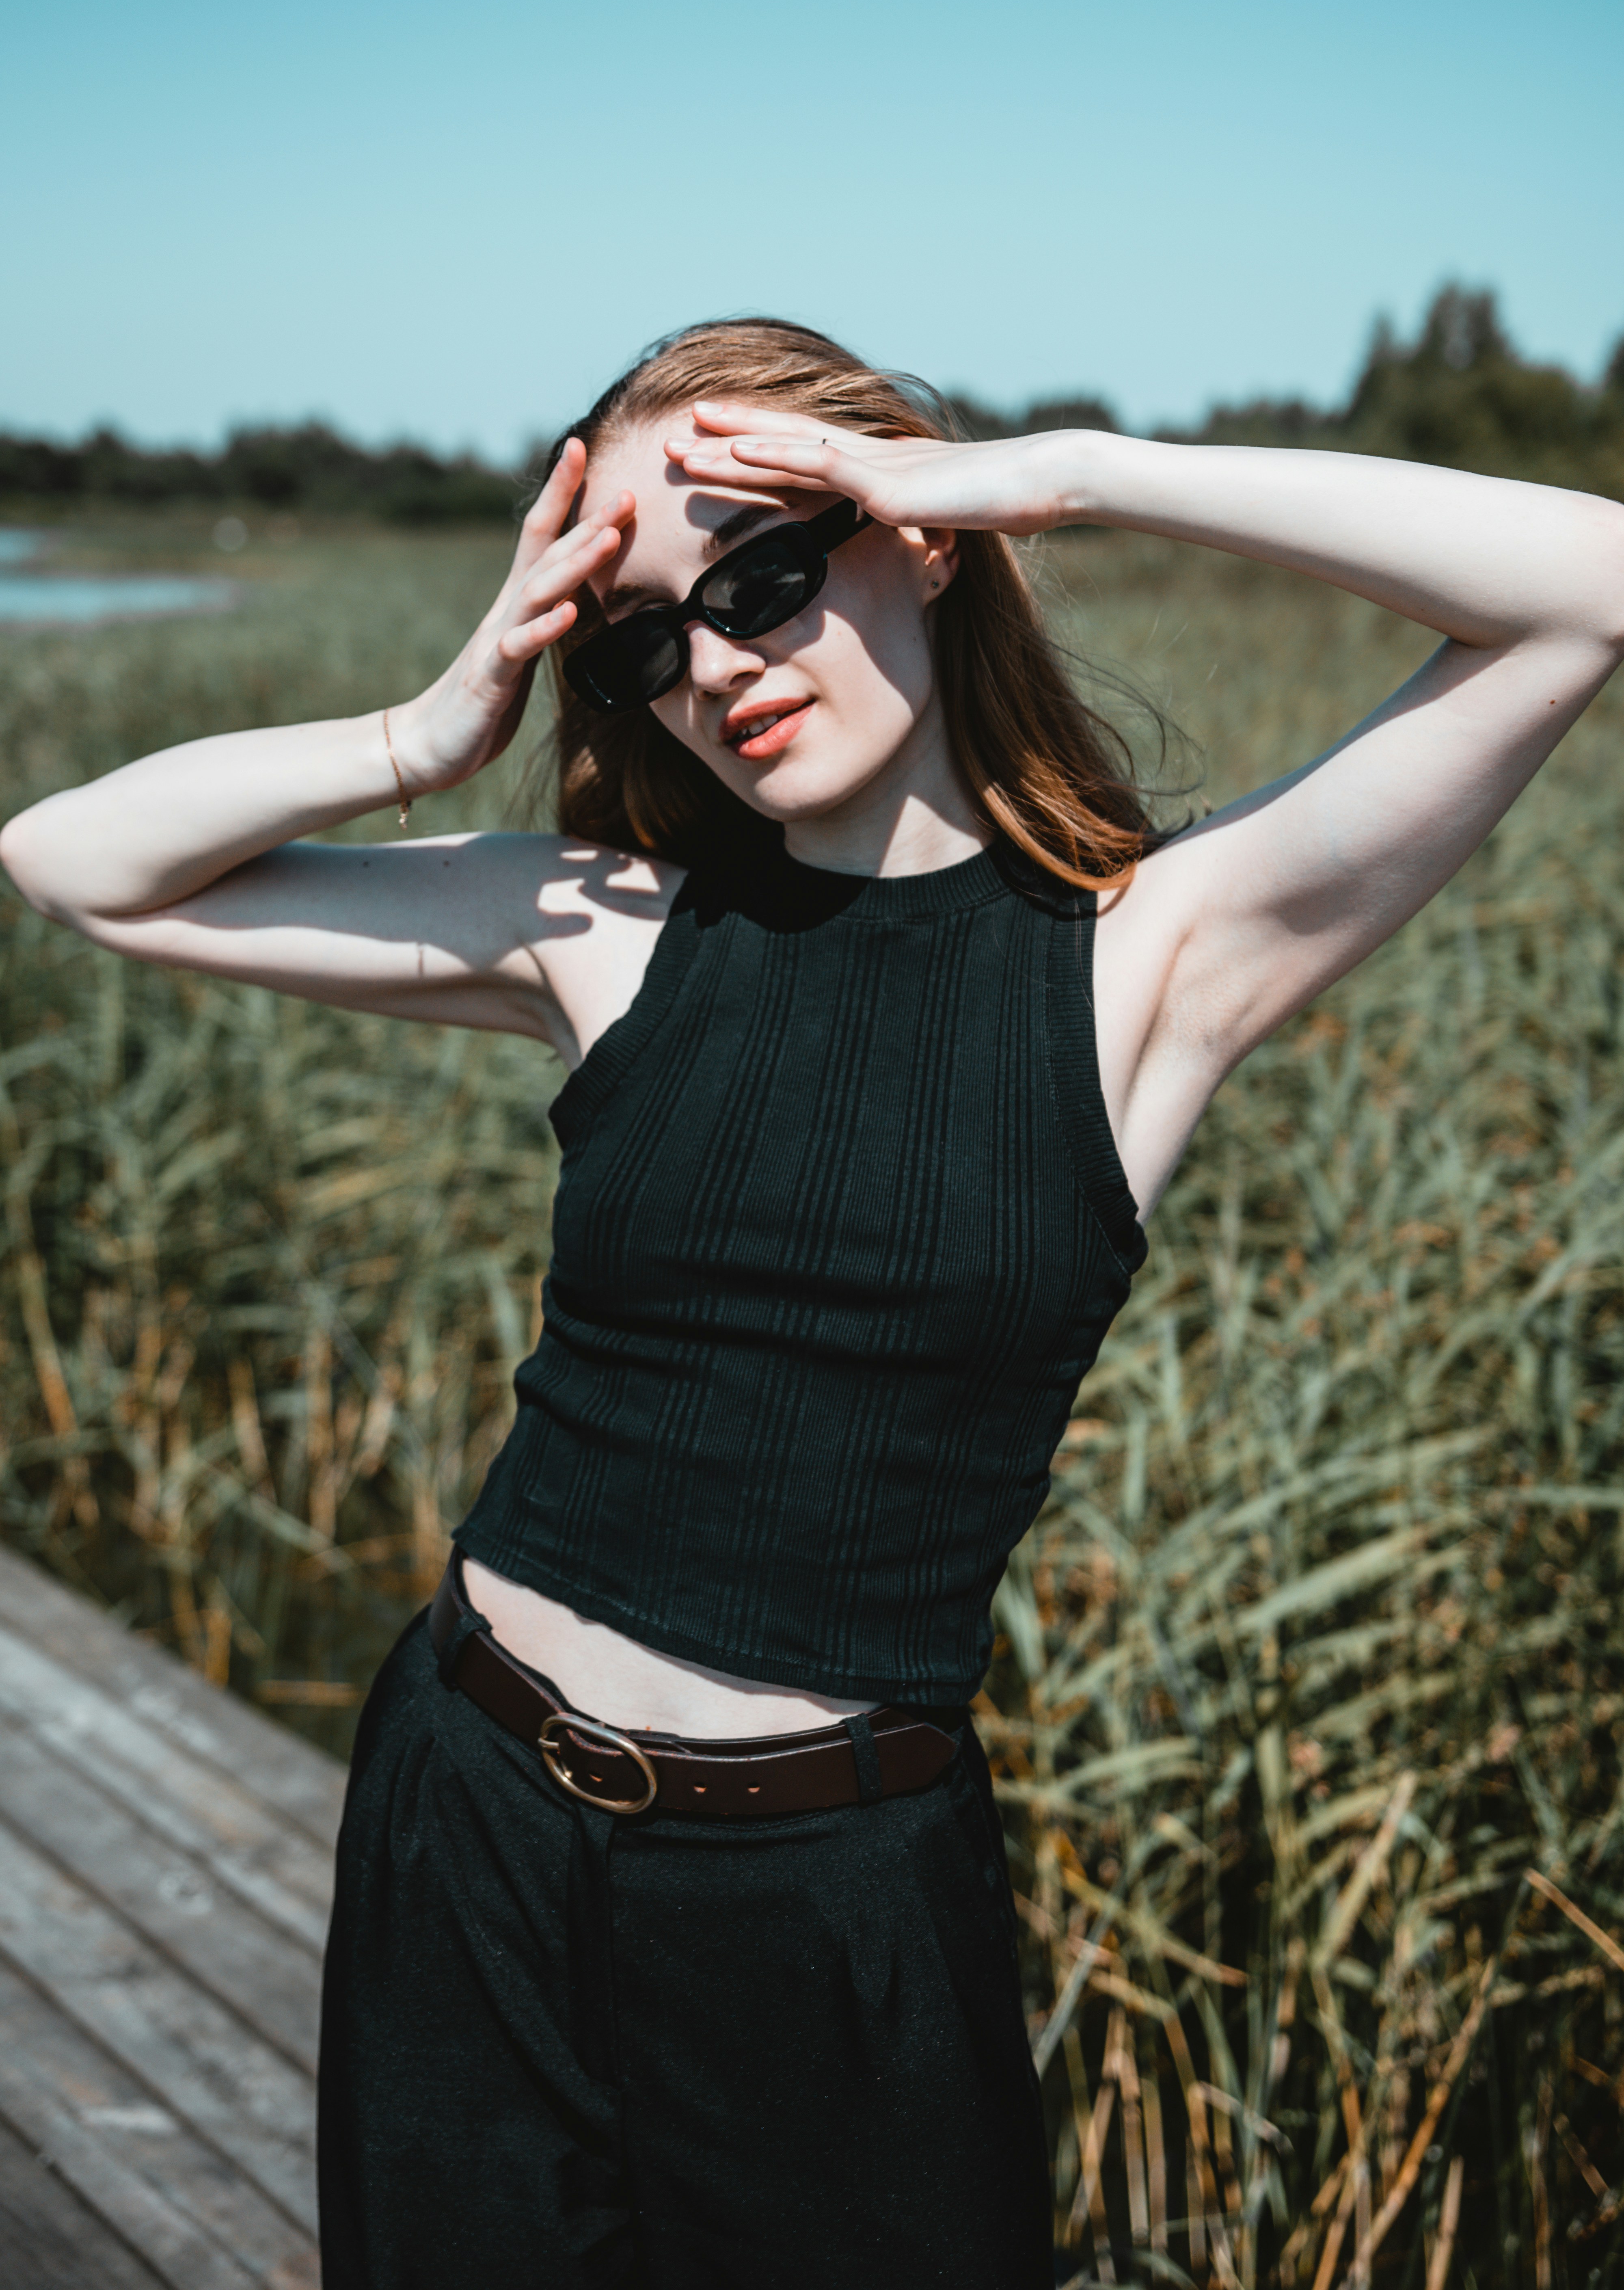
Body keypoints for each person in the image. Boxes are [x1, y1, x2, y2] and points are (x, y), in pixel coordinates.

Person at [2, 316, 1619, 2289]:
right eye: (644, 639)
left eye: (769, 573)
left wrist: (1067, 469)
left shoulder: (1151, 965)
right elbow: (76, 864)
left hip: (829, 1906)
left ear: (912, 535)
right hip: (472, 1828)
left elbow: (1587, 585)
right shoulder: (595, 923)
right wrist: (431, 736)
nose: (717, 666)